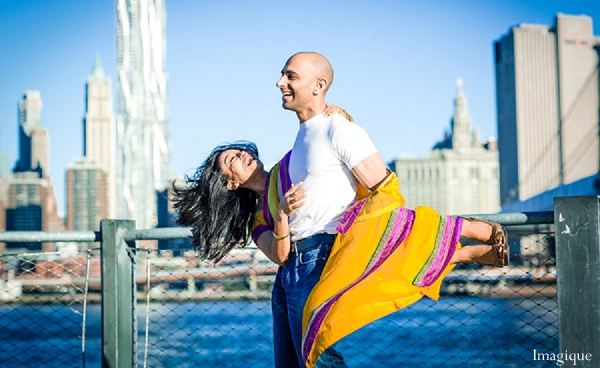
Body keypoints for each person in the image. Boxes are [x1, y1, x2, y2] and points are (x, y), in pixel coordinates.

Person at [173, 52, 509, 367]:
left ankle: (468, 240)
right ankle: (466, 247)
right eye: (231, 160)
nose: (241, 155)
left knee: (316, 353)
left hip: (322, 256)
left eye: (238, 151)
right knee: (293, 360)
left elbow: (349, 173)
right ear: (230, 183)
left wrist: (337, 115)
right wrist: (282, 217)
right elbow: (278, 254)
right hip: (289, 274)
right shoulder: (259, 214)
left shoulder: (288, 163)